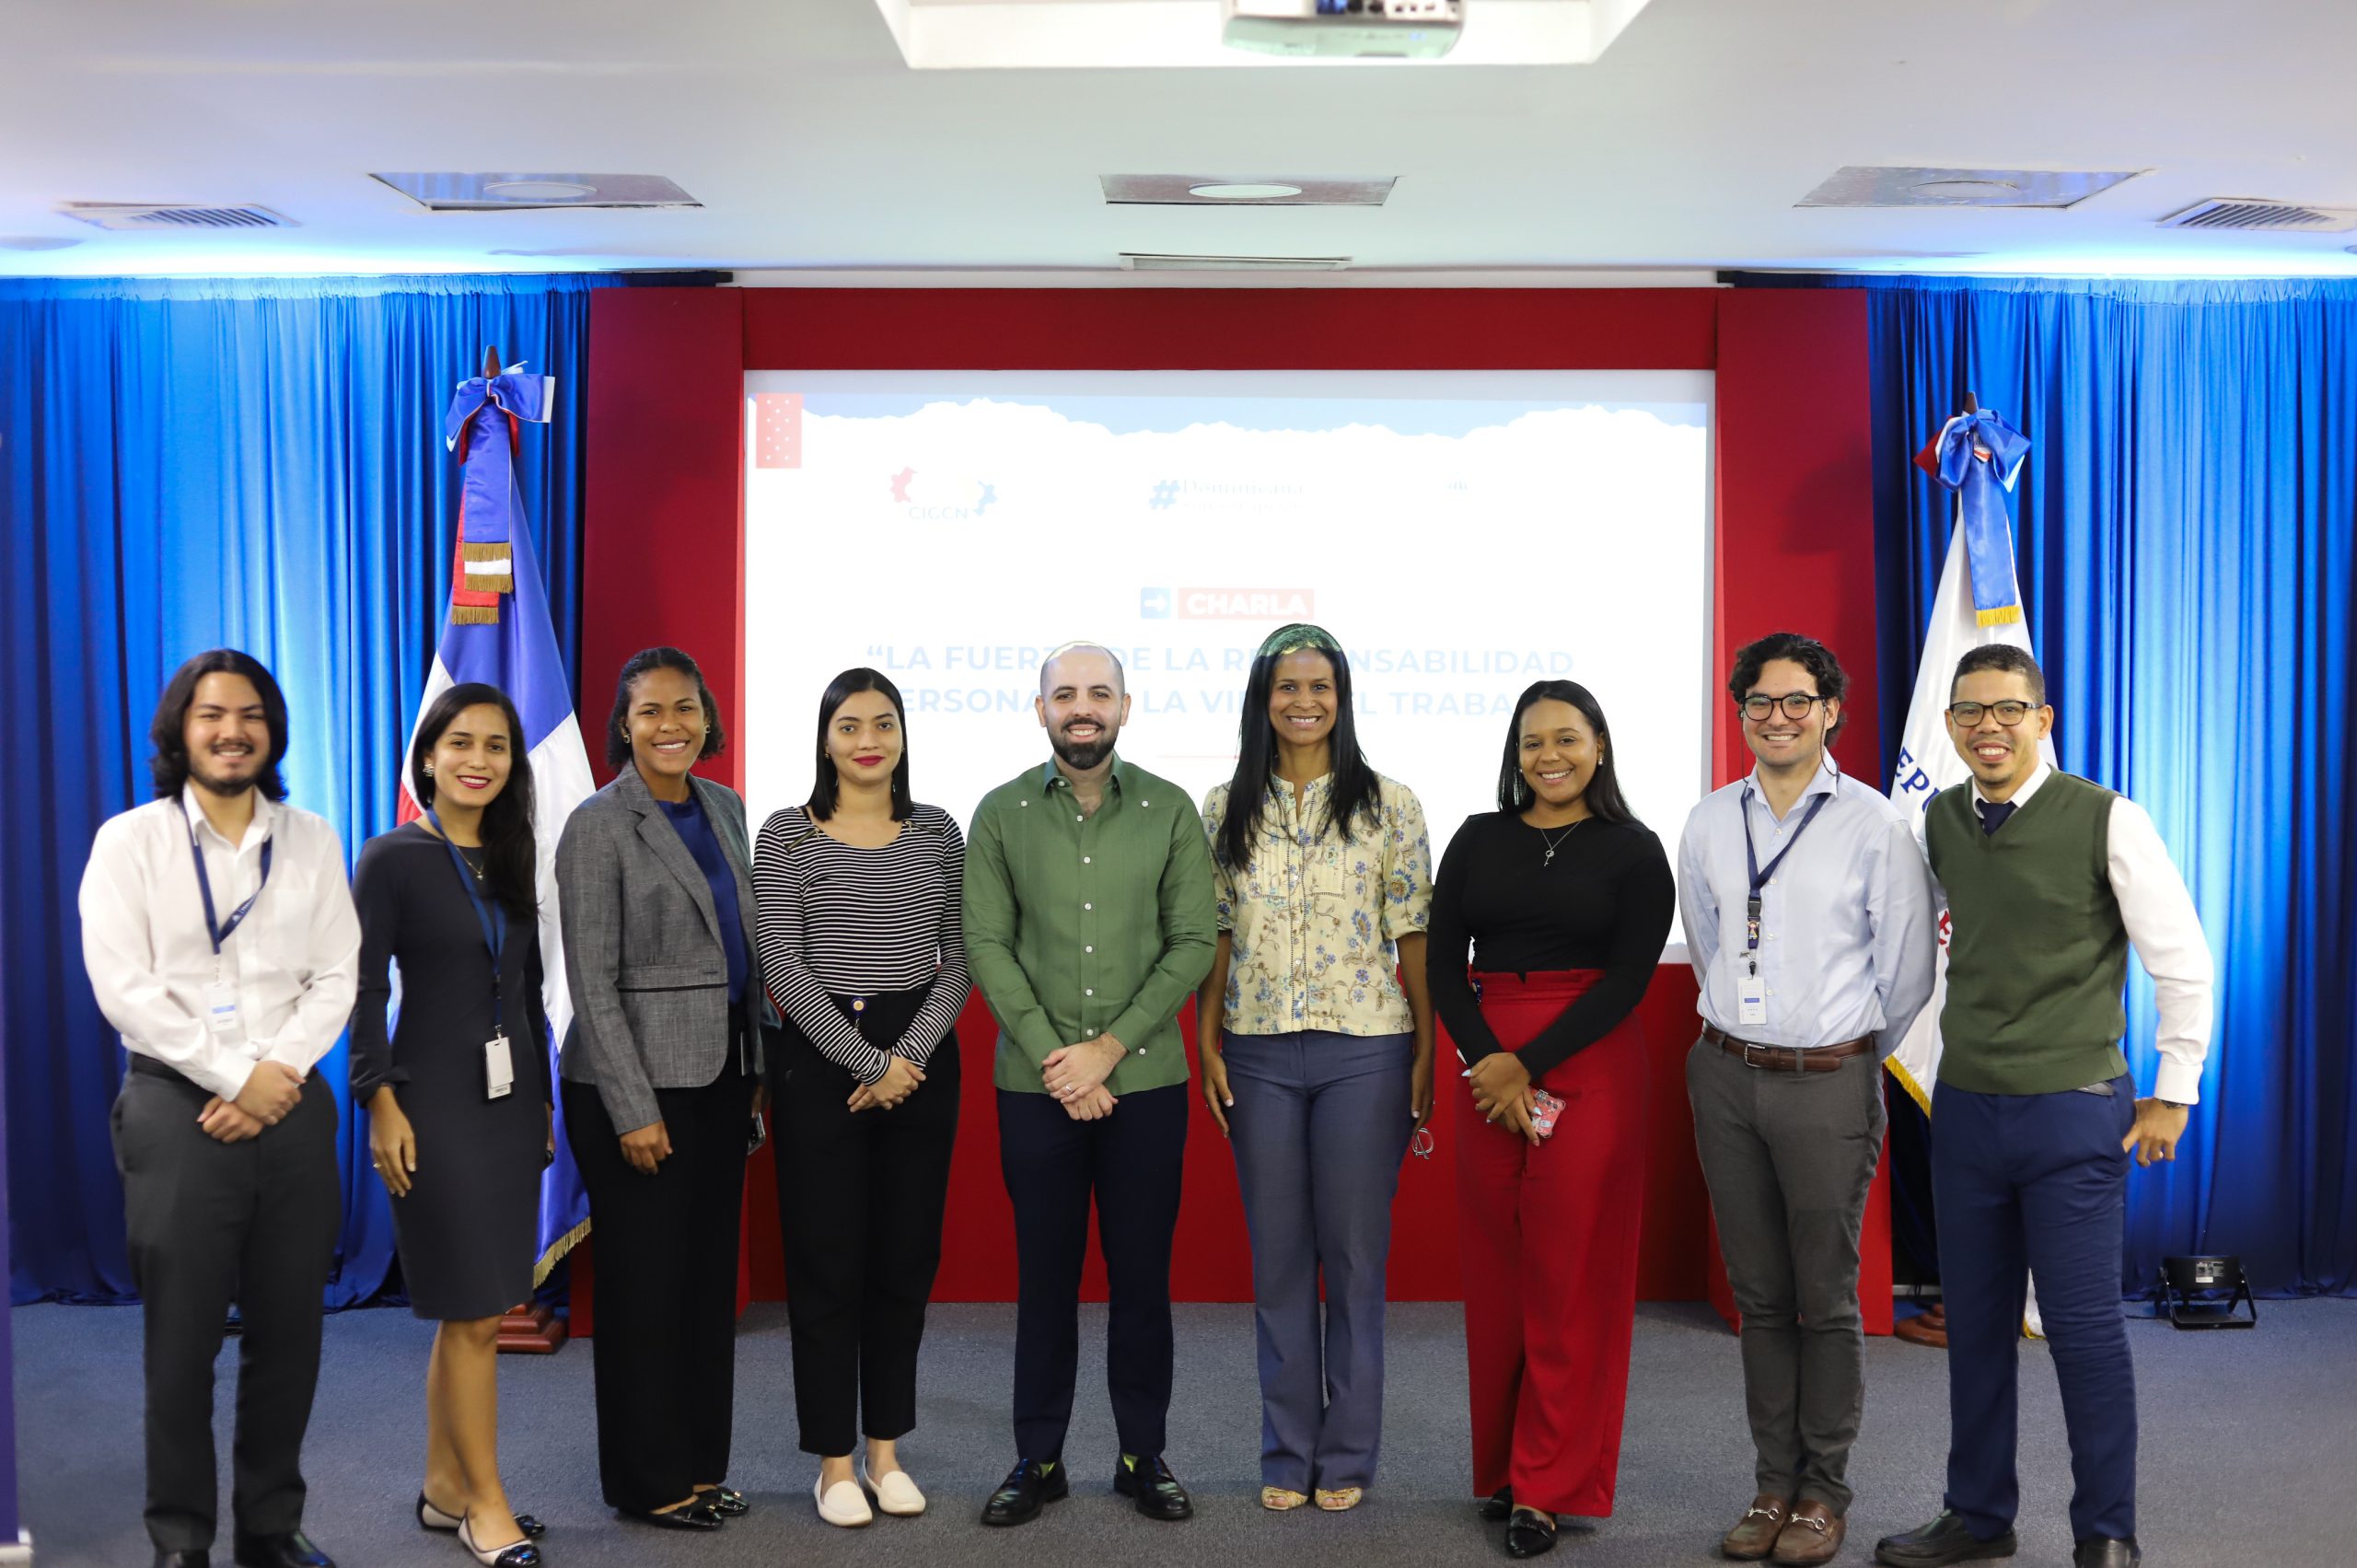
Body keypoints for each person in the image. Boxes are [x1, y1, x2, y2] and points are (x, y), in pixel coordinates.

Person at [1875, 646, 2213, 1568]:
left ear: (2042, 718)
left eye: (2007, 709)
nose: (1987, 726)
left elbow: (2181, 959)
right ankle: (1978, 1515)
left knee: (2082, 1328)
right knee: (1977, 1326)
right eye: (1969, 711)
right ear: (1950, 724)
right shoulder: (1941, 818)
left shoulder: (2107, 817)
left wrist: (2173, 1091)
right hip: (1967, 1110)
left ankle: (2106, 1529)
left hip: (2072, 1110)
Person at [79, 649, 359, 1568]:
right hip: (175, 1104)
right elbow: (124, 988)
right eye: (211, 714)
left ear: (272, 729)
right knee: (182, 1339)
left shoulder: (311, 839)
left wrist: (274, 1072)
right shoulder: (130, 841)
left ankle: (270, 1527)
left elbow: (338, 974)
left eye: (250, 714)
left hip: (292, 1100)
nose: (231, 731)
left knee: (291, 1333)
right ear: (180, 729)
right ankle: (181, 1538)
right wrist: (236, 1076)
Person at [1677, 633, 1936, 1566]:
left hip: (1829, 1079)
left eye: (1797, 700)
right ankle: (1770, 1483)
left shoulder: (1875, 824)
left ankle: (1823, 1492)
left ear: (1831, 711)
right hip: (1725, 1073)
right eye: (1759, 700)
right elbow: (1708, 941)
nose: (1777, 716)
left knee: (1824, 1297)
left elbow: (1907, 973)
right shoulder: (1710, 819)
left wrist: (1839, 1047)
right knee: (1759, 1295)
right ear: (1740, 711)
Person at [964, 641, 1218, 1527]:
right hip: (1036, 1089)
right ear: (1041, 709)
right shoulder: (1000, 813)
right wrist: (1060, 1061)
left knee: (1142, 1279)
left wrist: (1105, 1051)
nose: (1083, 707)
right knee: (1046, 1280)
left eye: (1099, 693)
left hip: (1145, 1085)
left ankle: (1143, 1454)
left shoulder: (1170, 809)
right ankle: (1038, 1458)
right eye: (1065, 693)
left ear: (1124, 707)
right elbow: (986, 945)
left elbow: (1194, 941)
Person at [1426, 679, 1675, 1561]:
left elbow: (1628, 980)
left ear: (1599, 746)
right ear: (1515, 754)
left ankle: (1547, 1485)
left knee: (1572, 1276)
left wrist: (1523, 1065)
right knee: (1499, 1275)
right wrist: (1489, 1062)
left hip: (1588, 1060)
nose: (1550, 755)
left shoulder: (1635, 850)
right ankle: (1506, 1467)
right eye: (1532, 741)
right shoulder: (1476, 836)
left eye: (1567, 738)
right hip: (1486, 1061)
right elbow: (1445, 967)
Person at [1194, 623, 1435, 1514]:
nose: (1304, 702)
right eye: (1287, 687)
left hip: (1366, 1049)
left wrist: (1425, 1050)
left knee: (1355, 1258)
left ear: (1342, 696)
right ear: (1263, 700)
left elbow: (1414, 933)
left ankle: (1348, 1454)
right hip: (1256, 1050)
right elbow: (1217, 931)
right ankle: (1287, 1449)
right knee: (1280, 1259)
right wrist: (1206, 1040)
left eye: (1320, 686)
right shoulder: (1223, 805)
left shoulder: (1389, 803)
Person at [752, 667, 970, 1528]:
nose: (868, 740)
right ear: (825, 737)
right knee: (826, 1265)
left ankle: (885, 1451)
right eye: (849, 725)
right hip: (820, 1063)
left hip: (921, 1061)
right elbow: (781, 961)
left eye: (883, 723)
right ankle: (834, 1463)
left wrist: (905, 1057)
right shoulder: (786, 833)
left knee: (903, 1263)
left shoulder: (939, 830)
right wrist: (865, 1062)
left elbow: (958, 957)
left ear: (904, 735)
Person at [556, 646, 766, 1534]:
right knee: (645, 1292)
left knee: (705, 1286)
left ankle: (700, 1466)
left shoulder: (725, 806)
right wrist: (632, 1107)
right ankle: (649, 1482)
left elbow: (744, 948)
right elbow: (591, 981)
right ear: (625, 724)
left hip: (721, 1078)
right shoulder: (598, 824)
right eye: (650, 711)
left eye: (685, 707)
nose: (670, 724)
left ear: (706, 717)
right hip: (635, 1090)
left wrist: (755, 1071)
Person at [350, 683, 552, 1568]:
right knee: (471, 1312)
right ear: (427, 755)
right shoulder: (391, 857)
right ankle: (487, 1504)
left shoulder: (510, 851)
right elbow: (360, 990)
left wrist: (542, 1101)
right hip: (428, 1104)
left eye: (496, 745)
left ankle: (443, 1487)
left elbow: (527, 989)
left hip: (510, 1106)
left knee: (477, 1308)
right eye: (461, 742)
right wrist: (378, 1098)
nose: (479, 759)